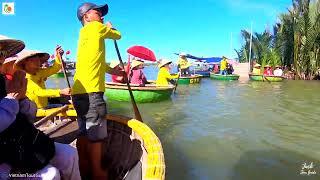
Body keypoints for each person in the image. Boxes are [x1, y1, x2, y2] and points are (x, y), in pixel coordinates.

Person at [0, 36, 81, 180]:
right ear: (25, 62)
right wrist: (59, 92)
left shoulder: (33, 74)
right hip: (9, 150)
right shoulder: (24, 78)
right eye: (35, 59)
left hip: (22, 136)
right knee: (50, 174)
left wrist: (58, 56)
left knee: (70, 154)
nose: (39, 62)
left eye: (3, 54)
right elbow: (38, 93)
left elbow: (55, 68)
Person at [72, 2, 123, 179]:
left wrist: (113, 71)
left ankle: (83, 165)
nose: (102, 16)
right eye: (97, 12)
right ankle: (98, 173)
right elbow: (118, 35)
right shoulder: (96, 27)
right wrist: (111, 27)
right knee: (96, 136)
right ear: (86, 17)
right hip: (92, 93)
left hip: (78, 92)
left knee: (83, 132)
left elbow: (97, 62)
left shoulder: (85, 35)